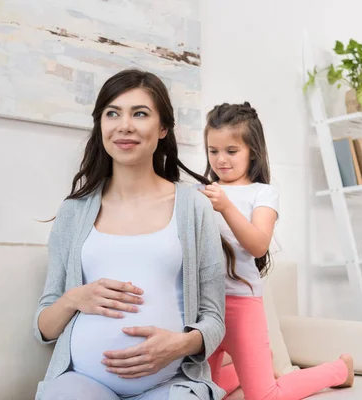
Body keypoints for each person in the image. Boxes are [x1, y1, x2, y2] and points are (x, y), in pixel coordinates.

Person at [33, 69, 233, 400]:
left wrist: (180, 344)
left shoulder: (193, 208)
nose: (124, 125)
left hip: (168, 384)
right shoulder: (73, 212)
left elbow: (214, 318)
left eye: (139, 113)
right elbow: (43, 327)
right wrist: (74, 298)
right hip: (82, 381)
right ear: (101, 125)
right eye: (113, 113)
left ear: (163, 127)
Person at [200, 102, 355, 400]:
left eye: (231, 151)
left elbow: (258, 244)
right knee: (203, 392)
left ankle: (338, 370)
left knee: (264, 396)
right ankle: (256, 366)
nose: (221, 160)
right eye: (213, 151)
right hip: (206, 306)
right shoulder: (201, 192)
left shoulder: (262, 193)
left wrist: (225, 206)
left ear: (252, 152)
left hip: (242, 305)